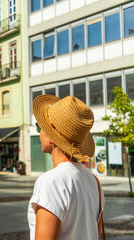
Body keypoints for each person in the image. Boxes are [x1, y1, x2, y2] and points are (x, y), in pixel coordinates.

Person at [28, 95, 105, 240]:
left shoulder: (51, 182)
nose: (39, 132)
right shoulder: (94, 181)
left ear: (52, 137)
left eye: (40, 127)